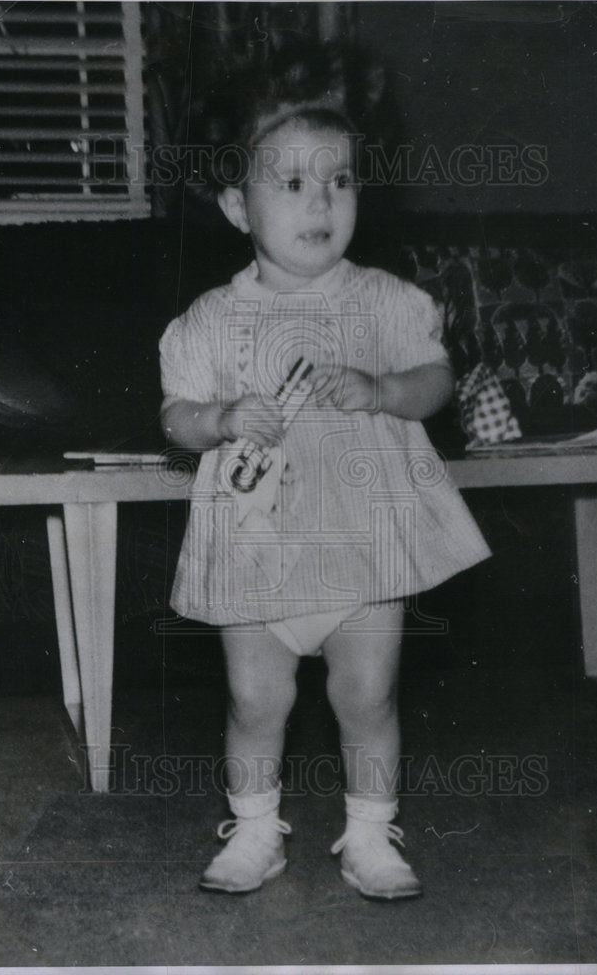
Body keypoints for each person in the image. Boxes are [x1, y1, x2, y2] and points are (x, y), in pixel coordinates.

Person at [158, 45, 490, 899]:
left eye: (339, 181)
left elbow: (434, 382)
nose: (322, 202)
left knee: (366, 695)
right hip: (255, 545)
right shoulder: (206, 320)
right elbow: (178, 416)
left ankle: (372, 834)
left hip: (363, 540)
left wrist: (385, 388)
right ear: (238, 205)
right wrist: (220, 419)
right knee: (254, 702)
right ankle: (257, 829)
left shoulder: (384, 302)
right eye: (293, 184)